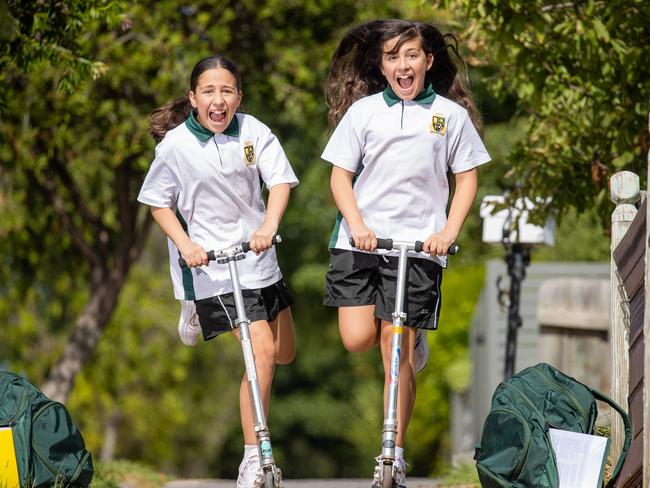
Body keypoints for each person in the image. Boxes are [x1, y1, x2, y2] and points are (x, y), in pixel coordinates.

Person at [321, 19, 490, 486]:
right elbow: (340, 176)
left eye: (411, 55)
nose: (402, 65)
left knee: (393, 346)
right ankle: (409, 335)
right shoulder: (364, 113)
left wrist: (447, 232)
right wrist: (357, 224)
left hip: (418, 247)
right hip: (360, 242)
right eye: (393, 56)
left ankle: (391, 451)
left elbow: (467, 178)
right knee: (357, 337)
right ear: (382, 64)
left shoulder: (449, 117)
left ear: (428, 61)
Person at [138, 55, 298, 488]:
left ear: (239, 97)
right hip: (213, 268)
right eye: (208, 91)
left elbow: (280, 181)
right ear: (193, 98)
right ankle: (253, 457)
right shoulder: (174, 146)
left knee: (283, 354)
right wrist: (187, 245)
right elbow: (157, 202)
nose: (218, 99)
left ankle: (191, 306)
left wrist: (269, 225)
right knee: (261, 353)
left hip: (260, 261)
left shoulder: (253, 131)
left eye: (227, 90)